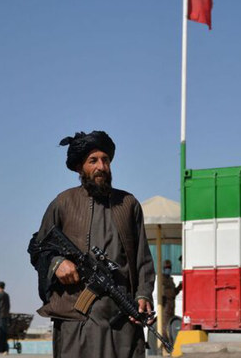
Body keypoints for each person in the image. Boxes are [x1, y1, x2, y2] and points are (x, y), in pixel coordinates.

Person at [28, 130, 156, 358]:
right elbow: (39, 247)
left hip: (120, 319)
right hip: (76, 319)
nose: (101, 167)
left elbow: (143, 260)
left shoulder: (128, 204)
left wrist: (143, 295)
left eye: (105, 160)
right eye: (93, 161)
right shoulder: (63, 203)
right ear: (80, 167)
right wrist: (57, 263)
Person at [160, 260, 182, 331]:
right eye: (166, 268)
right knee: (165, 327)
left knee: (170, 326)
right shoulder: (162, 279)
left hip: (171, 307)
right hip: (165, 308)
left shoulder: (170, 279)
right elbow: (165, 293)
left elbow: (173, 293)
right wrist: (172, 292)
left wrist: (179, 287)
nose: (168, 269)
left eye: (169, 267)